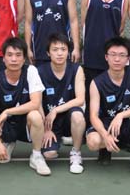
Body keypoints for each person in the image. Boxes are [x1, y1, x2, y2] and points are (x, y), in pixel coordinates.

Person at [86, 37, 130, 180]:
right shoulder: (96, 83)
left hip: (127, 123)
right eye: (113, 54)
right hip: (106, 125)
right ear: (106, 57)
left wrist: (121, 115)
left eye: (122, 55)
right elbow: (93, 116)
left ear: (128, 58)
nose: (117, 59)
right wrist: (105, 135)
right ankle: (106, 147)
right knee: (93, 142)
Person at [0, 37, 51, 176]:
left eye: (18, 55)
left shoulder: (31, 71)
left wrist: (8, 111)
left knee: (35, 115)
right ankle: (7, 142)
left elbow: (35, 103)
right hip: (8, 125)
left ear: (24, 58)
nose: (14, 59)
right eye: (9, 55)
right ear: (3, 58)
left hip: (27, 122)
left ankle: (36, 155)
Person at [81, 0, 127, 126]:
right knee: (91, 92)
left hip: (113, 56)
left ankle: (113, 127)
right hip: (92, 54)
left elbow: (121, 26)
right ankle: (89, 128)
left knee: (112, 94)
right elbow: (83, 24)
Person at [38, 33, 85, 174]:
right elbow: (37, 103)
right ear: (48, 53)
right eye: (55, 49)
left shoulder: (76, 69)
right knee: (49, 154)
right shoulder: (40, 71)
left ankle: (76, 152)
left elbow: (80, 99)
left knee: (78, 115)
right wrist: (45, 130)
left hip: (68, 117)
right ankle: (59, 140)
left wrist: (56, 110)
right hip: (50, 121)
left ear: (68, 52)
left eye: (63, 49)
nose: (59, 53)